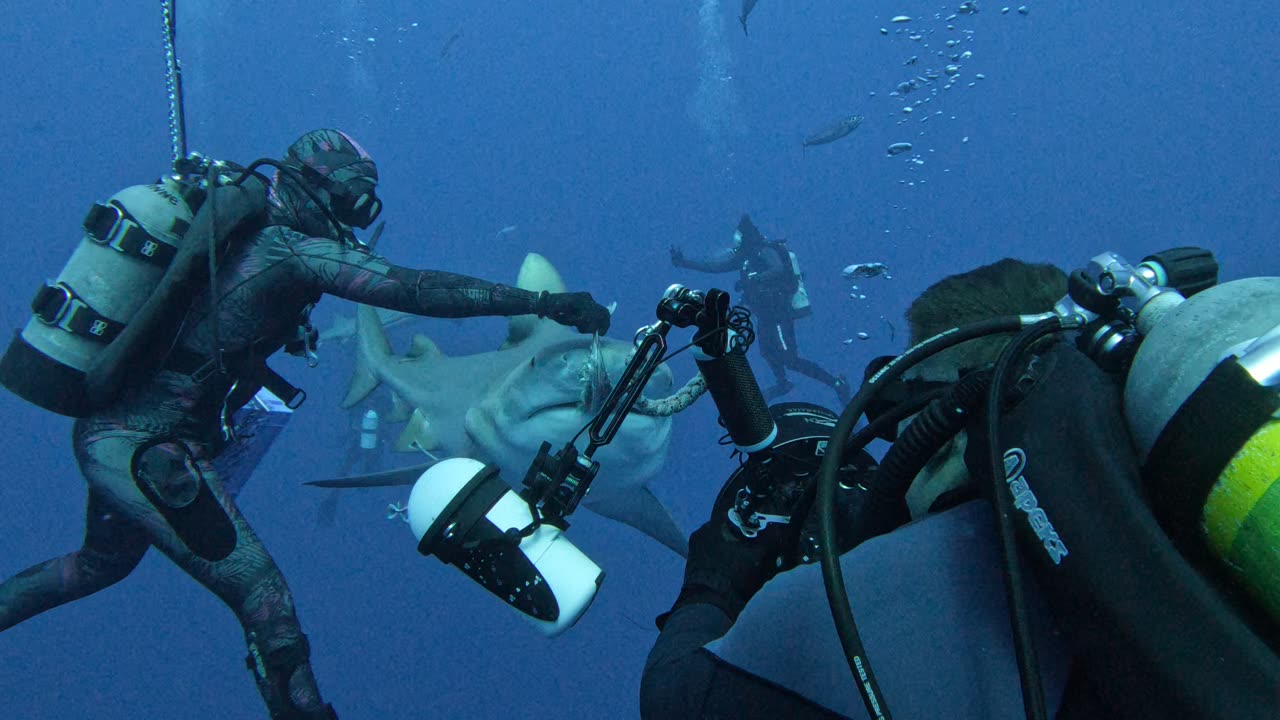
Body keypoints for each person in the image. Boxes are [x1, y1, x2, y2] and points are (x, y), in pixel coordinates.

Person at [0, 129, 611, 720]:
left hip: (116, 432)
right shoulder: (287, 251)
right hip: (145, 448)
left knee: (98, 565)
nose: (356, 221)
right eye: (355, 203)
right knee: (263, 598)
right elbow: (412, 288)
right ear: (325, 192)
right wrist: (540, 304)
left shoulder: (238, 233)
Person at [641, 258, 1280, 719]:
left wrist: (715, 574)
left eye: (894, 428)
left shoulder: (880, 599)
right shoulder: (1164, 476)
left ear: (941, 424)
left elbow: (677, 697)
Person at [671, 214, 850, 405]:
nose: (736, 242)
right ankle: (783, 383)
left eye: (738, 237)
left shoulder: (763, 250)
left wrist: (753, 279)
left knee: (790, 359)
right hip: (765, 314)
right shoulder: (746, 258)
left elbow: (778, 269)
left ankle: (836, 383)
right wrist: (685, 262)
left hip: (779, 313)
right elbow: (715, 267)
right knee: (767, 352)